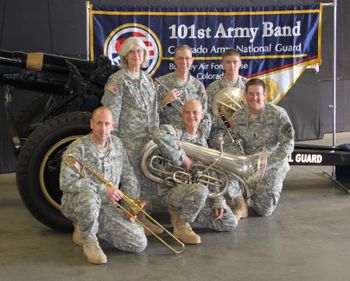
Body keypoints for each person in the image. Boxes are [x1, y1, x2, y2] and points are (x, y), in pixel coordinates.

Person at [60, 107, 147, 265]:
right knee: (89, 197)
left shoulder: (117, 144)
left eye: (107, 124)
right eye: (99, 123)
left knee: (139, 243)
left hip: (107, 206)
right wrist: (102, 189)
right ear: (92, 124)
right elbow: (66, 183)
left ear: (113, 125)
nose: (103, 128)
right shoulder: (77, 148)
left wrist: (131, 206)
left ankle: (87, 225)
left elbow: (128, 175)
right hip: (79, 202)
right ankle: (89, 240)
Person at [152, 99, 237, 245]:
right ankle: (181, 225)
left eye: (195, 112)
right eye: (187, 112)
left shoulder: (203, 139)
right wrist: (183, 158)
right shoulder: (175, 131)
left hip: (197, 193)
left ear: (202, 115)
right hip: (173, 193)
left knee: (229, 222)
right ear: (182, 114)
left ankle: (183, 213)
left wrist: (218, 201)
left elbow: (211, 174)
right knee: (201, 191)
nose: (191, 116)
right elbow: (158, 135)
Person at [101, 37, 163, 235]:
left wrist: (155, 136)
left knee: (146, 179)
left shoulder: (147, 81)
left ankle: (142, 216)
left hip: (146, 140)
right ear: (125, 56)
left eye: (140, 52)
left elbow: (154, 111)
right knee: (131, 181)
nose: (136, 55)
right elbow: (112, 111)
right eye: (132, 52)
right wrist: (114, 141)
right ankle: (131, 218)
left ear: (144, 56)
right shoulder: (118, 79)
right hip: (126, 139)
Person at [210, 78, 295, 219]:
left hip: (271, 167)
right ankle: (241, 204)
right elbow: (230, 141)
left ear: (264, 95)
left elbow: (288, 144)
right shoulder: (238, 115)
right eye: (251, 94)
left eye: (258, 94)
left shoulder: (278, 114)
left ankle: (253, 193)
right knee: (224, 174)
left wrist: (264, 165)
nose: (254, 98)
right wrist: (241, 161)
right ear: (245, 95)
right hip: (247, 165)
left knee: (263, 210)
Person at [156, 44, 211, 138]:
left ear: (192, 61)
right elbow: (150, 113)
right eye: (180, 58)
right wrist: (165, 101)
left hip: (193, 139)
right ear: (175, 60)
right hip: (170, 137)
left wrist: (199, 137)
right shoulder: (161, 83)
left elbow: (206, 116)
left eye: (187, 58)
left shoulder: (198, 86)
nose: (184, 61)